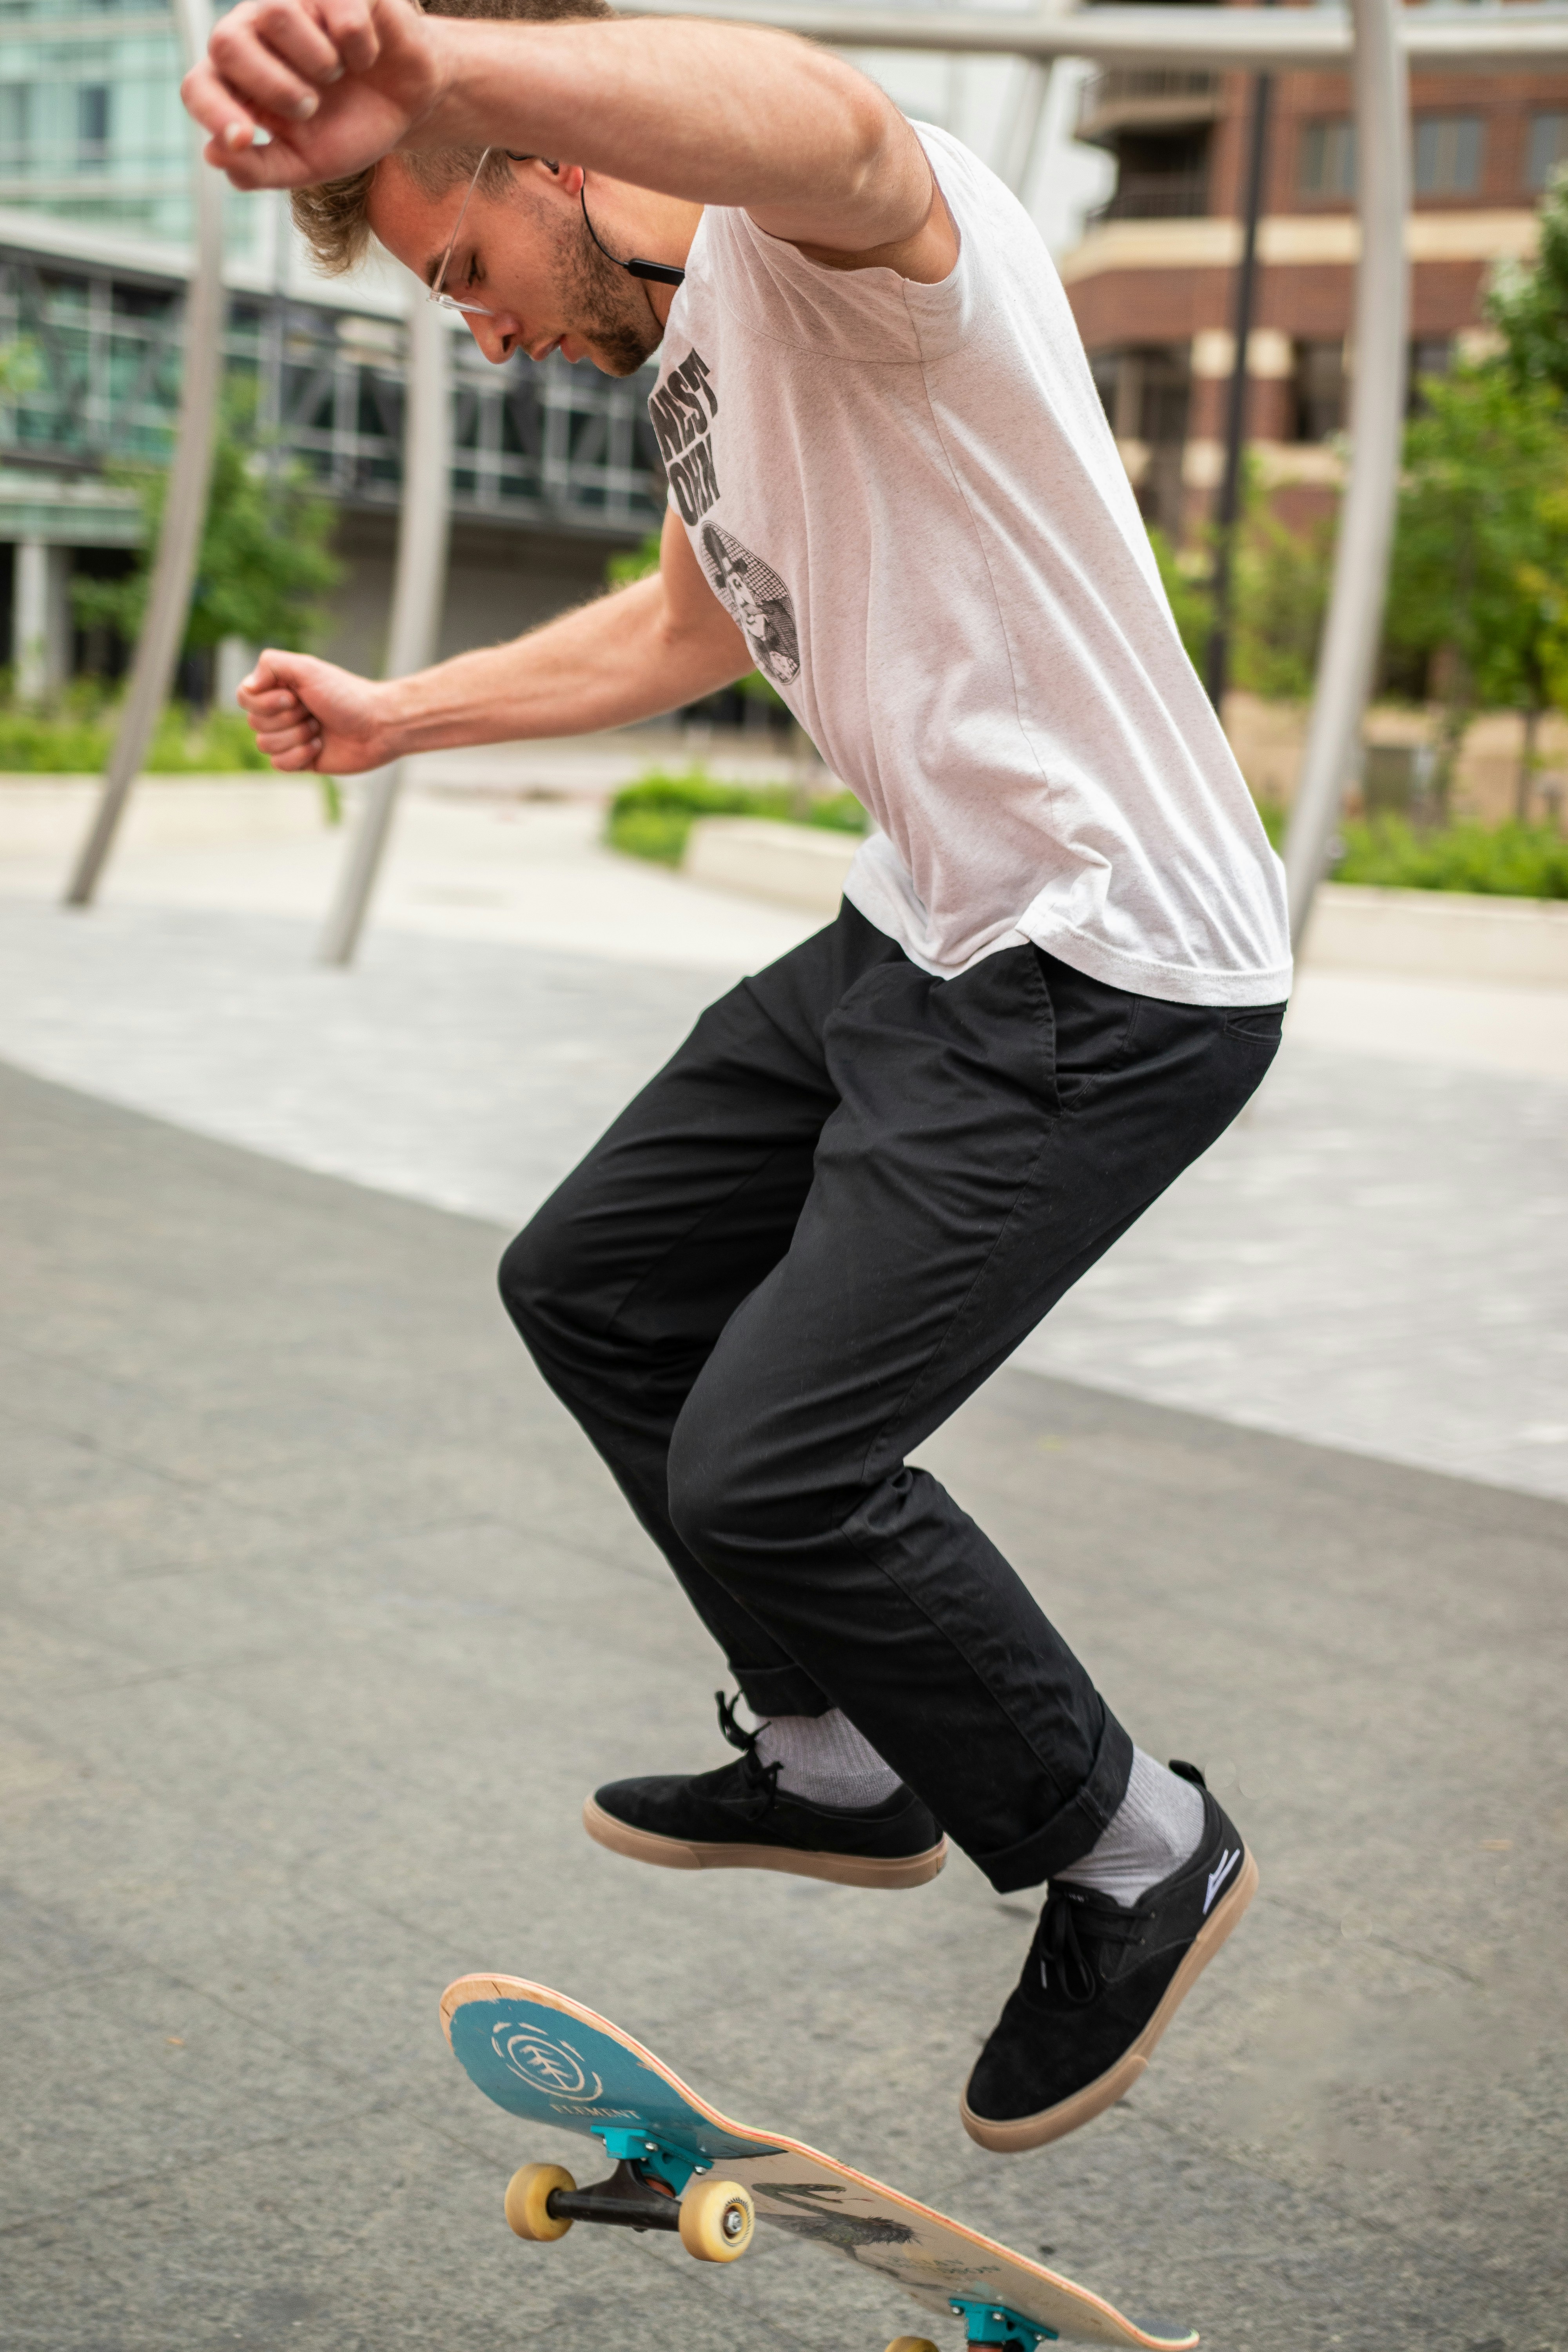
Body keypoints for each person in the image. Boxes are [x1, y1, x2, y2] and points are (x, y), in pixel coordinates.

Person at [187, 0, 1290, 2154]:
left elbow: (844, 124)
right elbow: (686, 630)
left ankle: (1131, 1845)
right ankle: (836, 1759)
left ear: (549, 159)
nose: (483, 336)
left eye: (463, 277)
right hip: (925, 929)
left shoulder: (842, 244)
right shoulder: (699, 358)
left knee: (773, 1468)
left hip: (1109, 970)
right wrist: (402, 715)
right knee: (589, 1278)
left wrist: (450, 72)